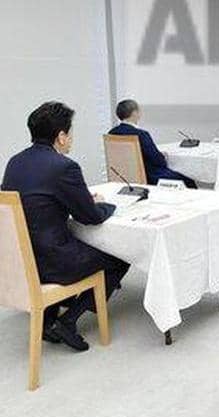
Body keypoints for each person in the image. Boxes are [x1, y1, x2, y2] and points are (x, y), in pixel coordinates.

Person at [1, 102, 129, 351]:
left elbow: (39, 202)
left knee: (61, 241)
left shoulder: (14, 162)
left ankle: (48, 320)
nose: (71, 139)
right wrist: (107, 206)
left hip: (22, 262)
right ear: (60, 136)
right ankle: (68, 321)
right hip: (53, 263)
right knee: (120, 258)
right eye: (70, 133)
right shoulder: (64, 166)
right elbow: (90, 217)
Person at [108, 99, 197, 188]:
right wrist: (162, 156)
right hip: (149, 176)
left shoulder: (111, 133)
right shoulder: (141, 134)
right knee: (189, 181)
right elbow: (158, 161)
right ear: (134, 113)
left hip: (124, 176)